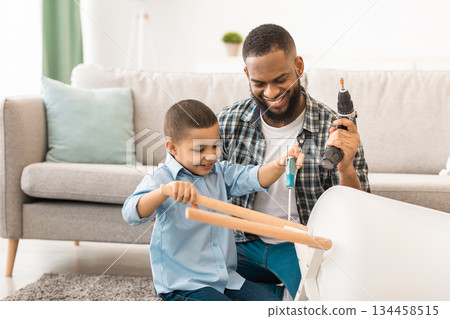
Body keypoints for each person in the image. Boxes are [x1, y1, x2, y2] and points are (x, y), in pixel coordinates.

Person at [217, 24, 370, 299]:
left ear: (298, 66)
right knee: (194, 284)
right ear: (246, 74)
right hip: (241, 244)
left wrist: (346, 167)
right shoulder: (228, 121)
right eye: (259, 83)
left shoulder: (332, 128)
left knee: (326, 298)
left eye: (280, 80)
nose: (271, 92)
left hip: (298, 247)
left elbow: (360, 215)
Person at [122, 99, 304, 301]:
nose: (211, 156)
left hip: (226, 280)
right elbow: (130, 213)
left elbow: (255, 177)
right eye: (200, 150)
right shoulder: (161, 179)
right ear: (172, 148)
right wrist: (164, 192)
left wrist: (279, 165)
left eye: (215, 146)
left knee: (274, 306)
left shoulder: (219, 172)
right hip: (184, 285)